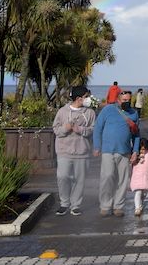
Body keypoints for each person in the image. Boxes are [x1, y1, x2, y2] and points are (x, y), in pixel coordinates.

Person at [94, 89, 141, 217]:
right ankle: (105, 205)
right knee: (107, 177)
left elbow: (136, 135)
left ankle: (118, 206)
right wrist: (97, 146)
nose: (127, 102)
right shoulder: (108, 110)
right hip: (108, 150)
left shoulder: (134, 113)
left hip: (125, 151)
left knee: (123, 180)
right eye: (124, 100)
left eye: (129, 100)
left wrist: (135, 151)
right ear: (118, 100)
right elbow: (98, 128)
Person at [52, 85, 96, 217]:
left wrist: (81, 130)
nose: (88, 99)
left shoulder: (90, 113)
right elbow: (56, 129)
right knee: (63, 176)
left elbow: (93, 129)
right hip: (64, 151)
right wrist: (65, 128)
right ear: (78, 98)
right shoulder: (62, 111)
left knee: (80, 179)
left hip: (82, 152)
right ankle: (64, 203)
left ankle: (75, 205)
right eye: (86, 97)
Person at [130, 138, 148, 217]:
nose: (142, 151)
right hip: (137, 177)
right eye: (141, 149)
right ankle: (137, 208)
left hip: (145, 177)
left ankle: (140, 204)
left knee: (144, 193)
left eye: (144, 148)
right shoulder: (136, 154)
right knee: (138, 192)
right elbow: (131, 162)